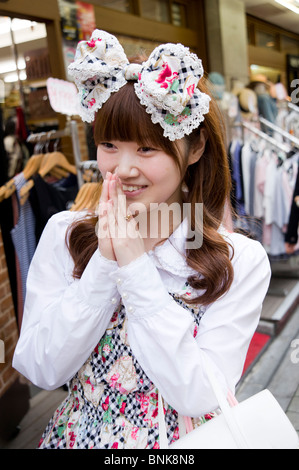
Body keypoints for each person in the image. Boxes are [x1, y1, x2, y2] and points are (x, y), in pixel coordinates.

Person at [13, 30, 271, 449]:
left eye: (148, 149)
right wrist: (104, 263)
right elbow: (41, 369)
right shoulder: (66, 232)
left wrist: (135, 268)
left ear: (195, 147)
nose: (124, 167)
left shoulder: (238, 259)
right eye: (109, 144)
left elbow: (199, 395)